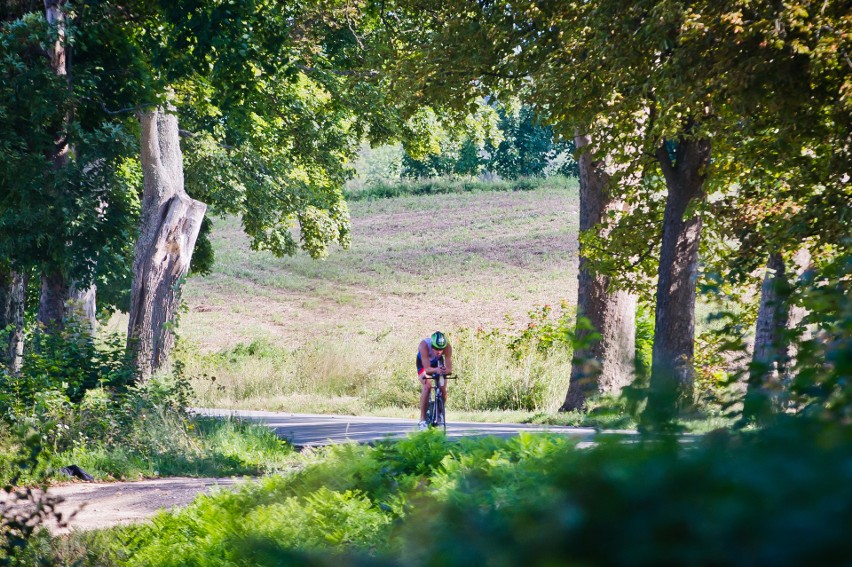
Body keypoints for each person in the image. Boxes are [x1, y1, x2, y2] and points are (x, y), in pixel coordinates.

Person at [417, 331, 453, 431]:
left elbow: (449, 369)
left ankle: (440, 414)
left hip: (438, 364)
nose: (439, 351)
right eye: (436, 348)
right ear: (432, 345)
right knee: (427, 386)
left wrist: (446, 371)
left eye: (441, 349)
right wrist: (436, 370)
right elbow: (427, 369)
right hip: (424, 364)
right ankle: (423, 420)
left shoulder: (447, 347)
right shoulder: (423, 345)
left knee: (443, 389)